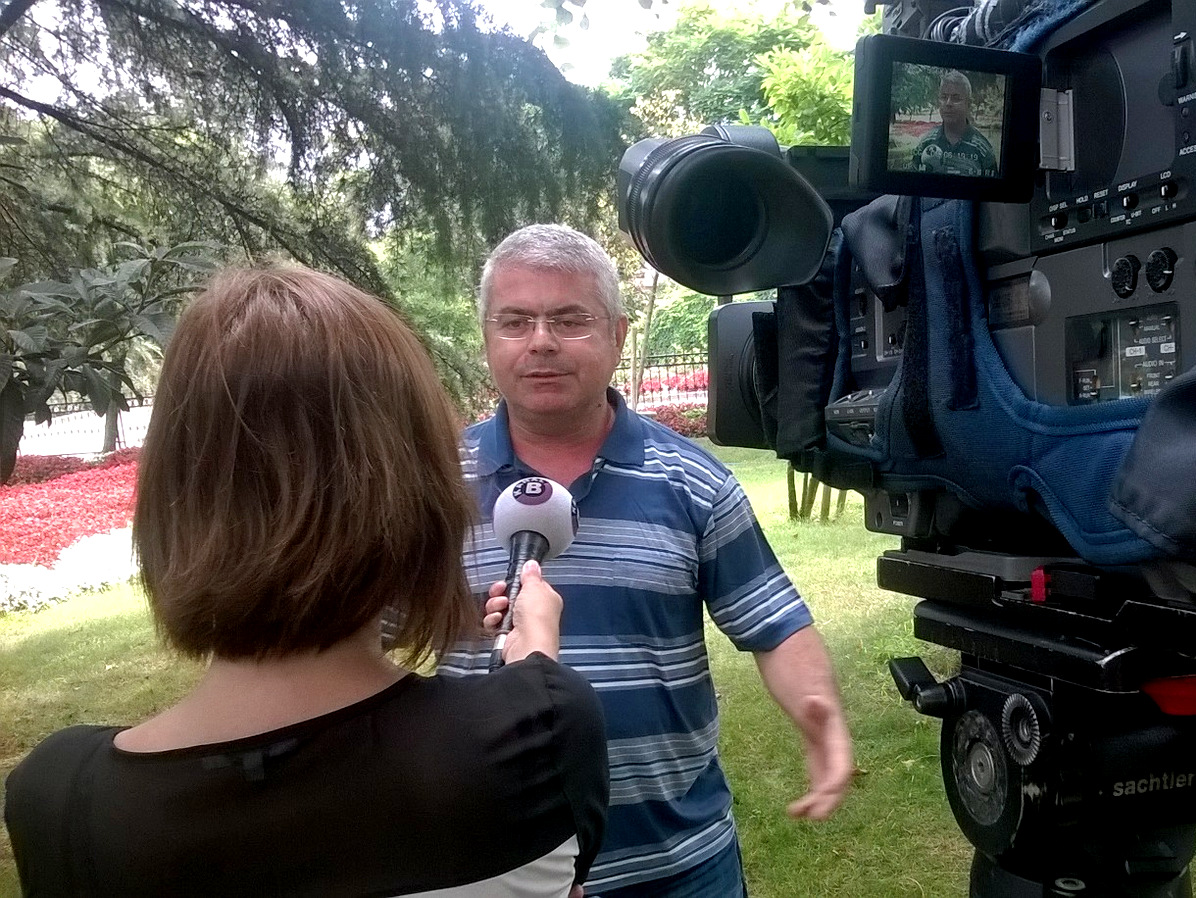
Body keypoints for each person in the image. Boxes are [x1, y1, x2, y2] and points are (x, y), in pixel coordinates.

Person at [4, 266, 608, 898]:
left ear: (172, 492)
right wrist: (535, 680)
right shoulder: (543, 735)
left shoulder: (56, 800)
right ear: (418, 493)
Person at [445, 223, 854, 897]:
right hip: (495, 864)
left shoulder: (694, 483)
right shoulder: (430, 483)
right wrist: (454, 618)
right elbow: (364, 633)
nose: (540, 341)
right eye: (514, 321)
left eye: (569, 320)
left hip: (678, 864)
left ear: (617, 335)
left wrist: (822, 711)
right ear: (487, 338)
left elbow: (773, 623)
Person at [912, 69, 998, 177]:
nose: (948, 103)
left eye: (956, 98)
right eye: (944, 97)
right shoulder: (926, 142)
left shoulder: (983, 149)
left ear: (968, 104)